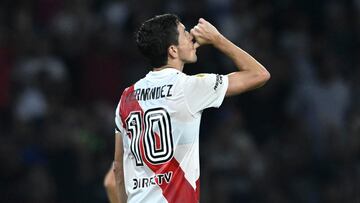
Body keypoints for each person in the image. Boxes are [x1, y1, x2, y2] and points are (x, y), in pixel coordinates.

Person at [109, 13, 270, 203]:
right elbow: (259, 74)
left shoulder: (126, 97)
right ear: (173, 51)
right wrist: (217, 39)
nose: (191, 36)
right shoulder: (189, 88)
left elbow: (118, 170)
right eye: (185, 33)